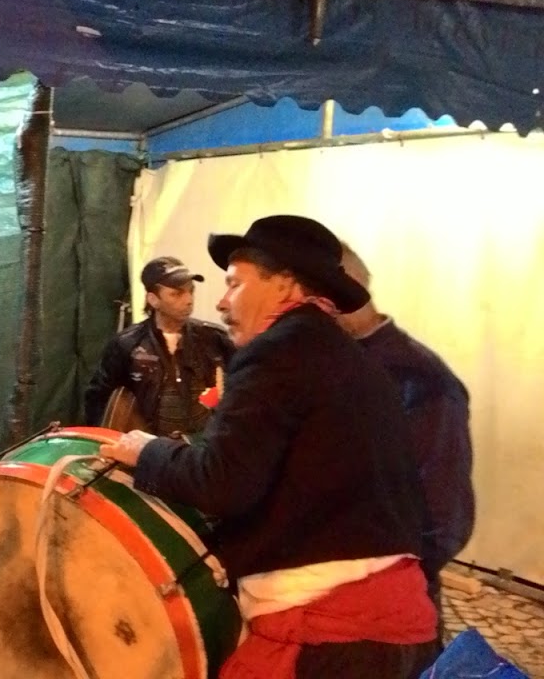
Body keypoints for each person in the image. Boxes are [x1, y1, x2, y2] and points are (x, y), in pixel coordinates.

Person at [100, 215, 439, 678]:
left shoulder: (278, 351)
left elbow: (222, 483)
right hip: (393, 625)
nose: (221, 302)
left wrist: (148, 452)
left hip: (330, 633)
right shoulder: (345, 356)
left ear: (283, 286)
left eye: (235, 284)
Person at [336, 241, 475, 626]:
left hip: (387, 612)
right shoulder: (335, 361)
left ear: (348, 289)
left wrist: (386, 584)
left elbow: (444, 517)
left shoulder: (419, 377)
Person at [84, 256, 232, 435]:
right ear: (153, 300)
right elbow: (99, 398)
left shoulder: (213, 337)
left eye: (191, 291)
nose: (189, 300)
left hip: (202, 443)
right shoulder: (127, 343)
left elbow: (243, 385)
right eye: (177, 294)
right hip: (148, 444)